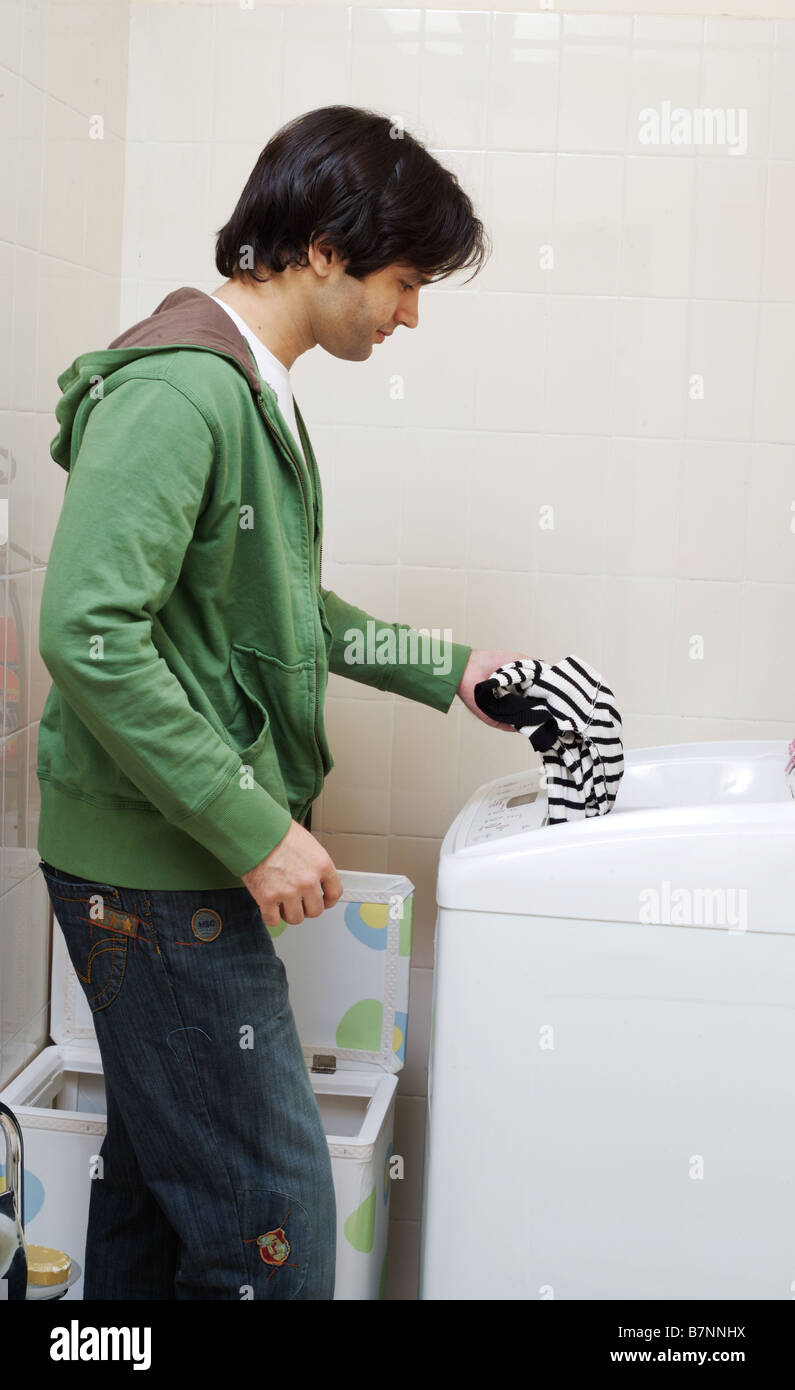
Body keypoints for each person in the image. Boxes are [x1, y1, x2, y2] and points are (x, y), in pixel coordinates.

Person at [36, 104, 520, 1301]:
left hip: (166, 862)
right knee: (277, 1227)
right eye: (404, 281)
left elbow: (285, 609)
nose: (408, 313)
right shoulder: (185, 391)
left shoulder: (252, 392)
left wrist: (447, 668)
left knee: (157, 1190)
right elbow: (88, 635)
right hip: (155, 874)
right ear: (320, 247)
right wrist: (255, 827)